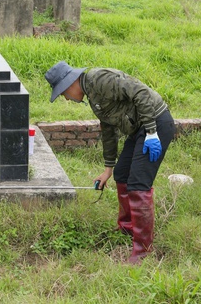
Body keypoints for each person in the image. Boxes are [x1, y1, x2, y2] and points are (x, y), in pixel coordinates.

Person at [45, 61, 175, 263]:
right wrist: (108, 169)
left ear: (69, 83)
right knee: (121, 173)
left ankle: (143, 251)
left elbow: (140, 92)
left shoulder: (99, 79)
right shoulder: (93, 97)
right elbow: (108, 130)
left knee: (138, 183)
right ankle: (127, 229)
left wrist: (151, 132)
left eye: (63, 93)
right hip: (139, 130)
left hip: (155, 123)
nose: (66, 98)